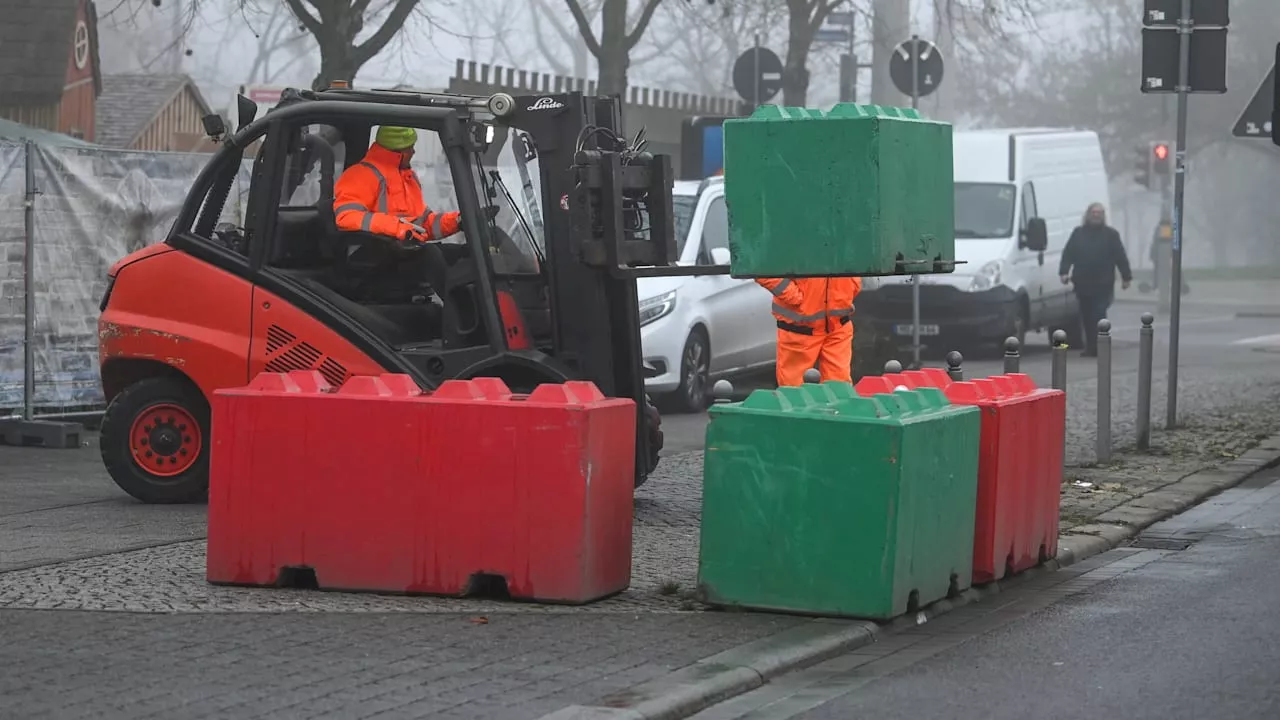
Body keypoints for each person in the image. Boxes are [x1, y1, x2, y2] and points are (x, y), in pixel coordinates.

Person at [333, 125, 462, 244]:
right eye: (409, 147)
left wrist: (457, 221)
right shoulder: (360, 175)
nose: (413, 152)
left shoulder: (409, 178)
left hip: (406, 252)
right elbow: (346, 217)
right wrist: (397, 228)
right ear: (397, 152)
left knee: (461, 254)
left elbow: (424, 224)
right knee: (435, 259)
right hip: (374, 257)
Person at [756, 276, 862, 387]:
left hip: (837, 327)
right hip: (799, 330)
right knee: (795, 392)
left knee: (840, 389)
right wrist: (792, 295)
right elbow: (758, 266)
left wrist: (851, 286)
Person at [1059, 202, 1133, 357]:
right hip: (1083, 282)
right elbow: (1068, 254)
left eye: (1099, 212)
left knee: (1099, 314)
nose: (1096, 215)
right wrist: (1064, 272)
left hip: (1103, 283)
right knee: (1086, 317)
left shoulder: (1111, 235)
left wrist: (1126, 277)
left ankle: (1102, 346)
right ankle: (1091, 347)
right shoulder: (1078, 233)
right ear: (1088, 215)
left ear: (1103, 215)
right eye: (1094, 212)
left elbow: (1120, 256)